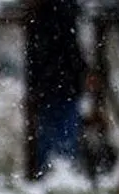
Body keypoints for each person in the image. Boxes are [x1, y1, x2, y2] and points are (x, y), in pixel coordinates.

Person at [24, 0, 87, 180]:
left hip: (55, 83)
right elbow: (70, 48)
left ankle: (56, 174)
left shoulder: (50, 16)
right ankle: (60, 175)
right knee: (61, 132)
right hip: (60, 83)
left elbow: (62, 49)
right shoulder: (60, 13)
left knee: (55, 131)